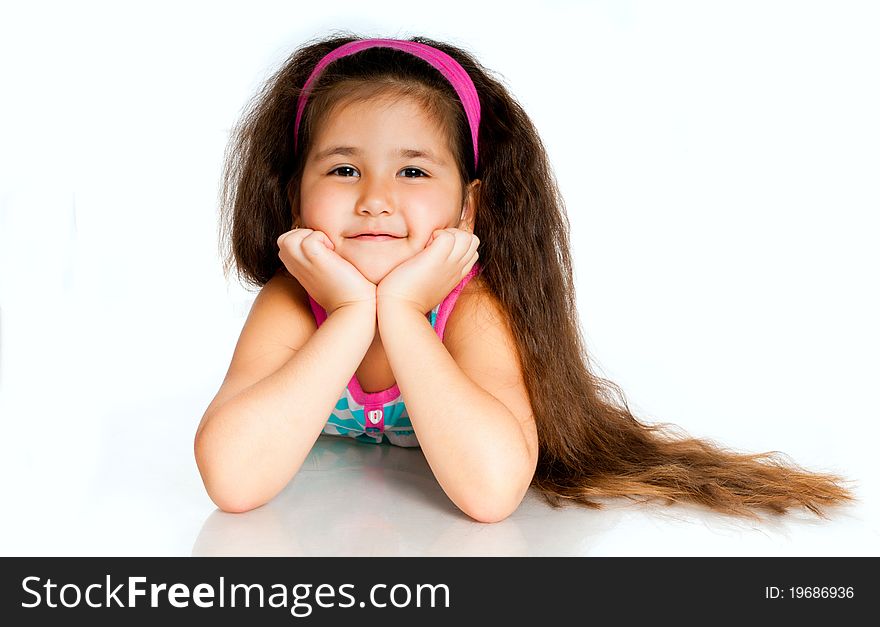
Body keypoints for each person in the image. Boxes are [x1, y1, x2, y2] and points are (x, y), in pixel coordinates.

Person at [194, 33, 856, 523]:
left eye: (414, 171)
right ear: (295, 198)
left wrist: (397, 311)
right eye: (343, 169)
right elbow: (231, 478)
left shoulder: (471, 311)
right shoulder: (292, 303)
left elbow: (489, 492)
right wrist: (346, 316)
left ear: (467, 207)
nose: (374, 198)